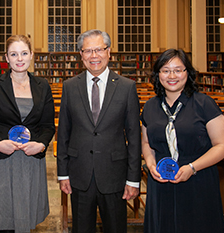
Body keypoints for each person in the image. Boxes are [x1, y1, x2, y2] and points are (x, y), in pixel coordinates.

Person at [0, 35, 55, 233]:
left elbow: (48, 126)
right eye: (14, 54)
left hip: (29, 161)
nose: (19, 58)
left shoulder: (43, 86)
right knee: (0, 222)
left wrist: (41, 144)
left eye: (24, 53)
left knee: (24, 222)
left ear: (32, 55)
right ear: (6, 58)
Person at [57, 29, 142, 233]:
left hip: (115, 176)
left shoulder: (126, 87)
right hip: (80, 175)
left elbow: (134, 136)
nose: (94, 56)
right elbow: (63, 134)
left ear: (109, 52)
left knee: (115, 228)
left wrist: (133, 178)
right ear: (81, 55)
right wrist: (62, 174)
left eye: (99, 50)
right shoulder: (69, 87)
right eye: (88, 51)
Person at [141, 49, 224, 232]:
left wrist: (192, 167)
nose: (172, 75)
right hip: (161, 182)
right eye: (165, 70)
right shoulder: (150, 106)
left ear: (187, 73)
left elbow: (222, 146)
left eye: (178, 70)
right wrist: (150, 164)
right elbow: (146, 143)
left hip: (198, 179)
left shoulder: (204, 104)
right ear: (158, 75)